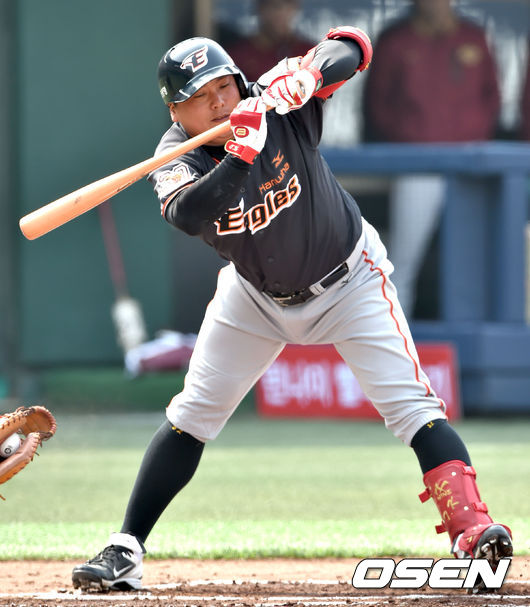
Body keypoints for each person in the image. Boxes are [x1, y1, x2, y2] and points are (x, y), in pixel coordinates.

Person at [71, 29, 512, 593]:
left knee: (413, 408)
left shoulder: (276, 101)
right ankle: (126, 548)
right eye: (200, 97)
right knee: (192, 414)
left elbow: (353, 47)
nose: (219, 103)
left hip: (350, 280)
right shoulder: (175, 154)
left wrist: (307, 75)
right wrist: (239, 157)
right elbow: (188, 214)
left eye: (224, 87)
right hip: (255, 296)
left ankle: (471, 531)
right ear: (176, 112)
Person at [362, 0, 500, 318]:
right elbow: (377, 105)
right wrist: (408, 138)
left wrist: (472, 138)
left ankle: (466, 343)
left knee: (469, 263)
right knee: (401, 262)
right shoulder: (397, 40)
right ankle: (395, 337)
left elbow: (492, 98)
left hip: (466, 166)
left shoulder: (473, 37)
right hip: (417, 164)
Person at [224, 0, 314, 82]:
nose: (281, 13)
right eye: (275, 6)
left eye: (288, 5)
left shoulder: (307, 52)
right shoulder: (239, 56)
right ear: (261, 8)